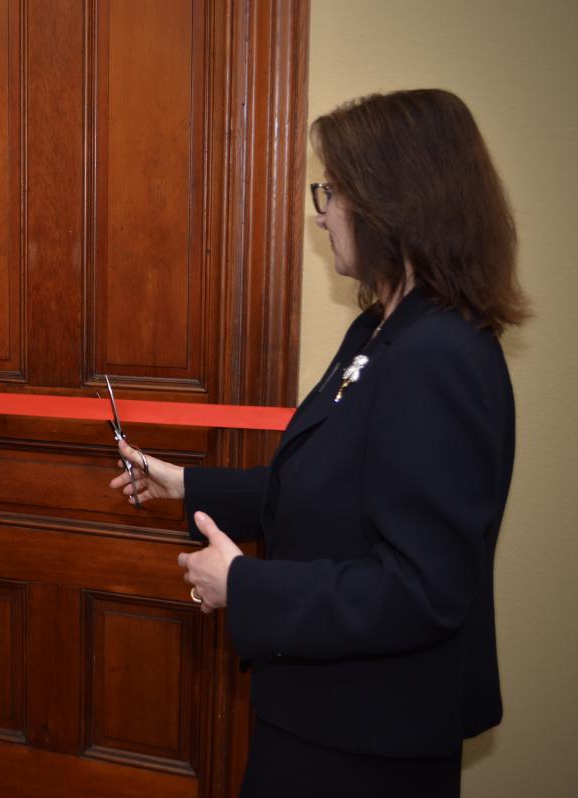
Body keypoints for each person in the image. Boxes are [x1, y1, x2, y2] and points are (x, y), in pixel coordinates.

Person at [109, 89, 526, 797]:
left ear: (394, 200)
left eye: (333, 190)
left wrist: (244, 586)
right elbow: (334, 490)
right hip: (324, 715)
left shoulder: (439, 355)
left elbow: (423, 588)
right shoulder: (380, 331)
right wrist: (186, 484)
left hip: (368, 742)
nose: (322, 210)